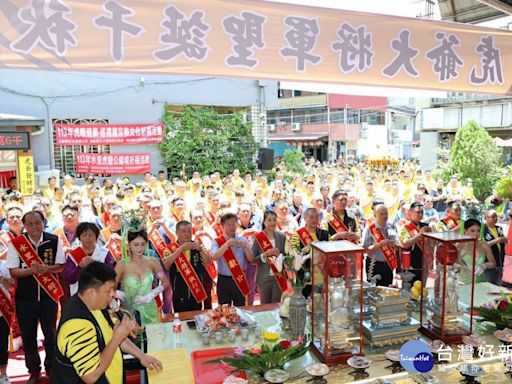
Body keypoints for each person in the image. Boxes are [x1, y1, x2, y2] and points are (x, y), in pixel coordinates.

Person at [54, 262, 162, 384]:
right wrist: (117, 338)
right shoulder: (76, 325)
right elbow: (90, 375)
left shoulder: (97, 306)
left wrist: (142, 356)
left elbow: (117, 335)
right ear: (91, 292)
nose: (112, 294)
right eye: (108, 290)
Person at [6, 211, 65, 383]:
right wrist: (31, 271)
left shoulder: (54, 240)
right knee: (28, 336)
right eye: (30, 223)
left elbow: (60, 265)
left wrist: (46, 269)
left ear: (44, 222)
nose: (34, 227)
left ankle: (52, 369)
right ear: (24, 225)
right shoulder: (17, 244)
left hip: (48, 297)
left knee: (50, 335)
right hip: (25, 298)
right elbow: (12, 270)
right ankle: (33, 371)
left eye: (37, 222)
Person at [115, 229, 168, 327]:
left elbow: (165, 282)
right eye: (136, 245)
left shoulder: (153, 262)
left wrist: (150, 295)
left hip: (150, 309)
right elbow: (110, 288)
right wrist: (126, 296)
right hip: (129, 312)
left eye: (143, 244)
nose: (140, 248)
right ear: (129, 245)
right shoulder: (121, 265)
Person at [163, 221, 211, 312]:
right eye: (183, 231)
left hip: (196, 291)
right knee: (181, 320)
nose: (187, 234)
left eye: (189, 231)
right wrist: (181, 249)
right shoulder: (170, 248)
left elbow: (208, 263)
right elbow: (166, 265)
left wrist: (200, 249)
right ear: (177, 233)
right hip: (179, 293)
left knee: (196, 319)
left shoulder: (198, 246)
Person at [211, 213, 253, 306]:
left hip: (239, 278)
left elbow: (251, 259)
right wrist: (227, 245)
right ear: (222, 226)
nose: (232, 227)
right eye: (228, 225)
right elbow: (214, 257)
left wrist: (245, 247)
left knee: (241, 308)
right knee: (224, 309)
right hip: (224, 280)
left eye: (234, 224)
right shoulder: (217, 241)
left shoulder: (242, 240)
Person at [64, 222, 114, 295]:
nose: (88, 238)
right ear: (79, 238)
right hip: (80, 296)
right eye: (84, 235)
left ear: (96, 237)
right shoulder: (72, 255)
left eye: (91, 235)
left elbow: (110, 276)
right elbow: (69, 279)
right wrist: (80, 267)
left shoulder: (105, 253)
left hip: (100, 295)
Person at [290, 208, 329, 298]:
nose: (314, 220)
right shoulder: (298, 234)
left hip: (321, 276)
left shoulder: (324, 234)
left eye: (316, 217)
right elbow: (295, 253)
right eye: (311, 217)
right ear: (304, 218)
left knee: (320, 303)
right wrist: (310, 248)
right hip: (305, 276)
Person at [252, 211, 287, 304]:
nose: (272, 223)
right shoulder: (258, 238)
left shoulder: (281, 236)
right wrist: (264, 255)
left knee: (277, 306)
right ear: (264, 222)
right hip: (264, 277)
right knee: (265, 306)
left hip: (278, 277)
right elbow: (252, 259)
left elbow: (287, 257)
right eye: (269, 220)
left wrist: (279, 254)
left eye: (274, 220)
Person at [362, 205, 399, 287]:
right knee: (373, 289)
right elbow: (365, 249)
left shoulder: (392, 226)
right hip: (374, 264)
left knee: (388, 289)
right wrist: (380, 245)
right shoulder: (370, 229)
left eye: (386, 213)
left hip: (388, 263)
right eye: (381, 214)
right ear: (375, 215)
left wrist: (394, 245)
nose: (384, 216)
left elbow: (397, 245)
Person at [457, 219, 496, 285]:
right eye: (472, 231)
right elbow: (452, 264)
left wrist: (484, 265)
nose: (476, 234)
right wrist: (465, 266)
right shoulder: (460, 245)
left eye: (478, 231)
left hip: (481, 284)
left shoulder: (484, 245)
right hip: (463, 284)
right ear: (465, 231)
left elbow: (493, 264)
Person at [400, 202, 430, 284]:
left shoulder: (426, 226)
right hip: (411, 265)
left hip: (423, 264)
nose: (420, 215)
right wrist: (420, 235)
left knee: (422, 291)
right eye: (417, 212)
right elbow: (405, 243)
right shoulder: (405, 227)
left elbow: (432, 244)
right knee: (410, 291)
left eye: (422, 212)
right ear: (410, 212)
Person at [483, 209, 507, 285]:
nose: (495, 218)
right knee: (488, 286)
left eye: (496, 216)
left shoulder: (499, 228)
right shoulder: (482, 230)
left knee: (497, 287)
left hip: (500, 262)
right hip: (488, 263)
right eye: (492, 217)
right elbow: (482, 245)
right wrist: (497, 240)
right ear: (485, 218)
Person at [0, 258, 14, 384]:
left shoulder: (4, 265)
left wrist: (3, 280)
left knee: (2, 345)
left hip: (2, 313)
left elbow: (12, 286)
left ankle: (3, 375)